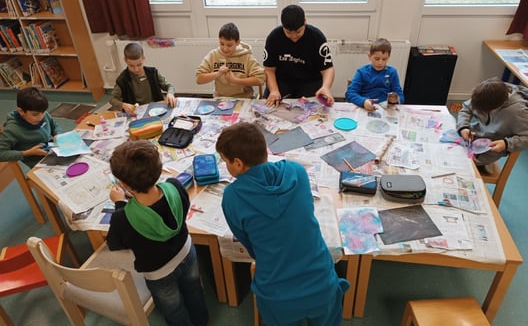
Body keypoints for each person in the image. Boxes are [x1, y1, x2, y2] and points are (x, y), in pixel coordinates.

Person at [216, 122, 349, 326]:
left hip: (277, 295)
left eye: (225, 161)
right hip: (322, 284)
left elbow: (250, 245)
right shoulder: (296, 171)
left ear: (238, 163)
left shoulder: (232, 197)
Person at [107, 140, 208, 326]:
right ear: (159, 170)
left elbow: (115, 244)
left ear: (123, 184)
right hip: (187, 252)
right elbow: (184, 206)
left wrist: (120, 203)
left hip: (159, 273)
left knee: (173, 309)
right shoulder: (174, 186)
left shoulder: (123, 217)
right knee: (194, 290)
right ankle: (202, 321)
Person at [457, 77, 528, 173]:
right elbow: (466, 109)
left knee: (465, 162)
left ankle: (484, 164)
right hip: (477, 133)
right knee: (453, 140)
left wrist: (506, 144)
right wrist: (463, 127)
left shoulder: (518, 112)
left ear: (497, 107)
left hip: (495, 144)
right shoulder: (485, 95)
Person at [263, 4, 335, 106]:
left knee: (313, 110)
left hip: (310, 82)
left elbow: (327, 69)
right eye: (288, 32)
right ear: (283, 25)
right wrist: (274, 90)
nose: (294, 36)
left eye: (298, 32)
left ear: (305, 22)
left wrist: (326, 87)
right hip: (282, 82)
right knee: (272, 107)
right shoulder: (274, 37)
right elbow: (269, 69)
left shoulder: (317, 37)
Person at [196, 22, 265, 98]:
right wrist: (217, 73)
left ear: (238, 42)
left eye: (229, 45)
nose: (225, 49)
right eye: (222, 44)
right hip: (220, 98)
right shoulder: (213, 55)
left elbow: (261, 79)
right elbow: (199, 79)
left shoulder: (246, 56)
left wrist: (235, 80)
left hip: (243, 97)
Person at [0, 87, 62, 168]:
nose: (40, 117)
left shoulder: (41, 112)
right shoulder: (12, 129)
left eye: (43, 112)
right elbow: (1, 153)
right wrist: (27, 153)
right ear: (21, 111)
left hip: (52, 151)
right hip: (37, 163)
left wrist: (57, 134)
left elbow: (54, 125)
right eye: (35, 114)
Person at [109, 42, 177, 115]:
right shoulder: (123, 79)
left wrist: (170, 93)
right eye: (131, 66)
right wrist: (123, 105)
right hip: (136, 113)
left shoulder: (153, 73)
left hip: (156, 109)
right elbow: (112, 99)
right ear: (125, 60)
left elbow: (170, 86)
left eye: (139, 65)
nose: (136, 69)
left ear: (143, 58)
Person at [345, 38, 404, 111]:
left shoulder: (392, 72)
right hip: (366, 107)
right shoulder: (361, 72)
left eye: (384, 59)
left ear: (388, 57)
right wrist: (363, 102)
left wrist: (395, 100)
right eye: (377, 59)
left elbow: (400, 96)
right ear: (369, 56)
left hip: (386, 109)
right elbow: (350, 93)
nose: (380, 62)